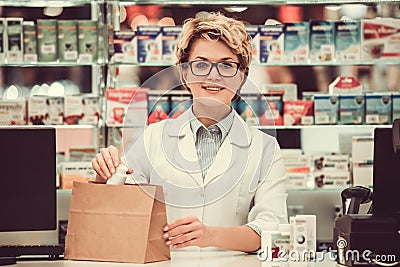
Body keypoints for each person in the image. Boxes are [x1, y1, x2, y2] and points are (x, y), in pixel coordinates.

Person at [92, 12, 287, 253]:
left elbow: (273, 228)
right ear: (184, 73)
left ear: (242, 77)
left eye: (226, 65)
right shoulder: (153, 137)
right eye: (201, 64)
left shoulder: (265, 148)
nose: (213, 75)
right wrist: (105, 177)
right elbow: (121, 211)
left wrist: (211, 235)